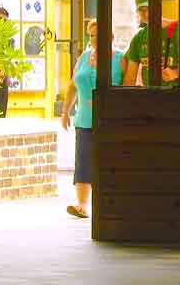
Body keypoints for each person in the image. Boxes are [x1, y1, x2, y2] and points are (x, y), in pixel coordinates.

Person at [61, 20, 126, 218]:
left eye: (97, 35)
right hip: (84, 119)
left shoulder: (120, 58)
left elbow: (128, 86)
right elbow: (73, 85)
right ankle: (81, 205)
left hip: (109, 120)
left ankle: (112, 204)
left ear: (110, 37)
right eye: (91, 35)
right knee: (83, 162)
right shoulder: (83, 57)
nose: (93, 39)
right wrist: (65, 112)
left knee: (109, 161)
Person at [124, 0, 180, 86]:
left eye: (148, 8)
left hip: (177, 97)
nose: (146, 13)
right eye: (141, 10)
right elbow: (130, 77)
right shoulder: (139, 38)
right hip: (151, 96)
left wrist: (176, 73)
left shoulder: (178, 30)